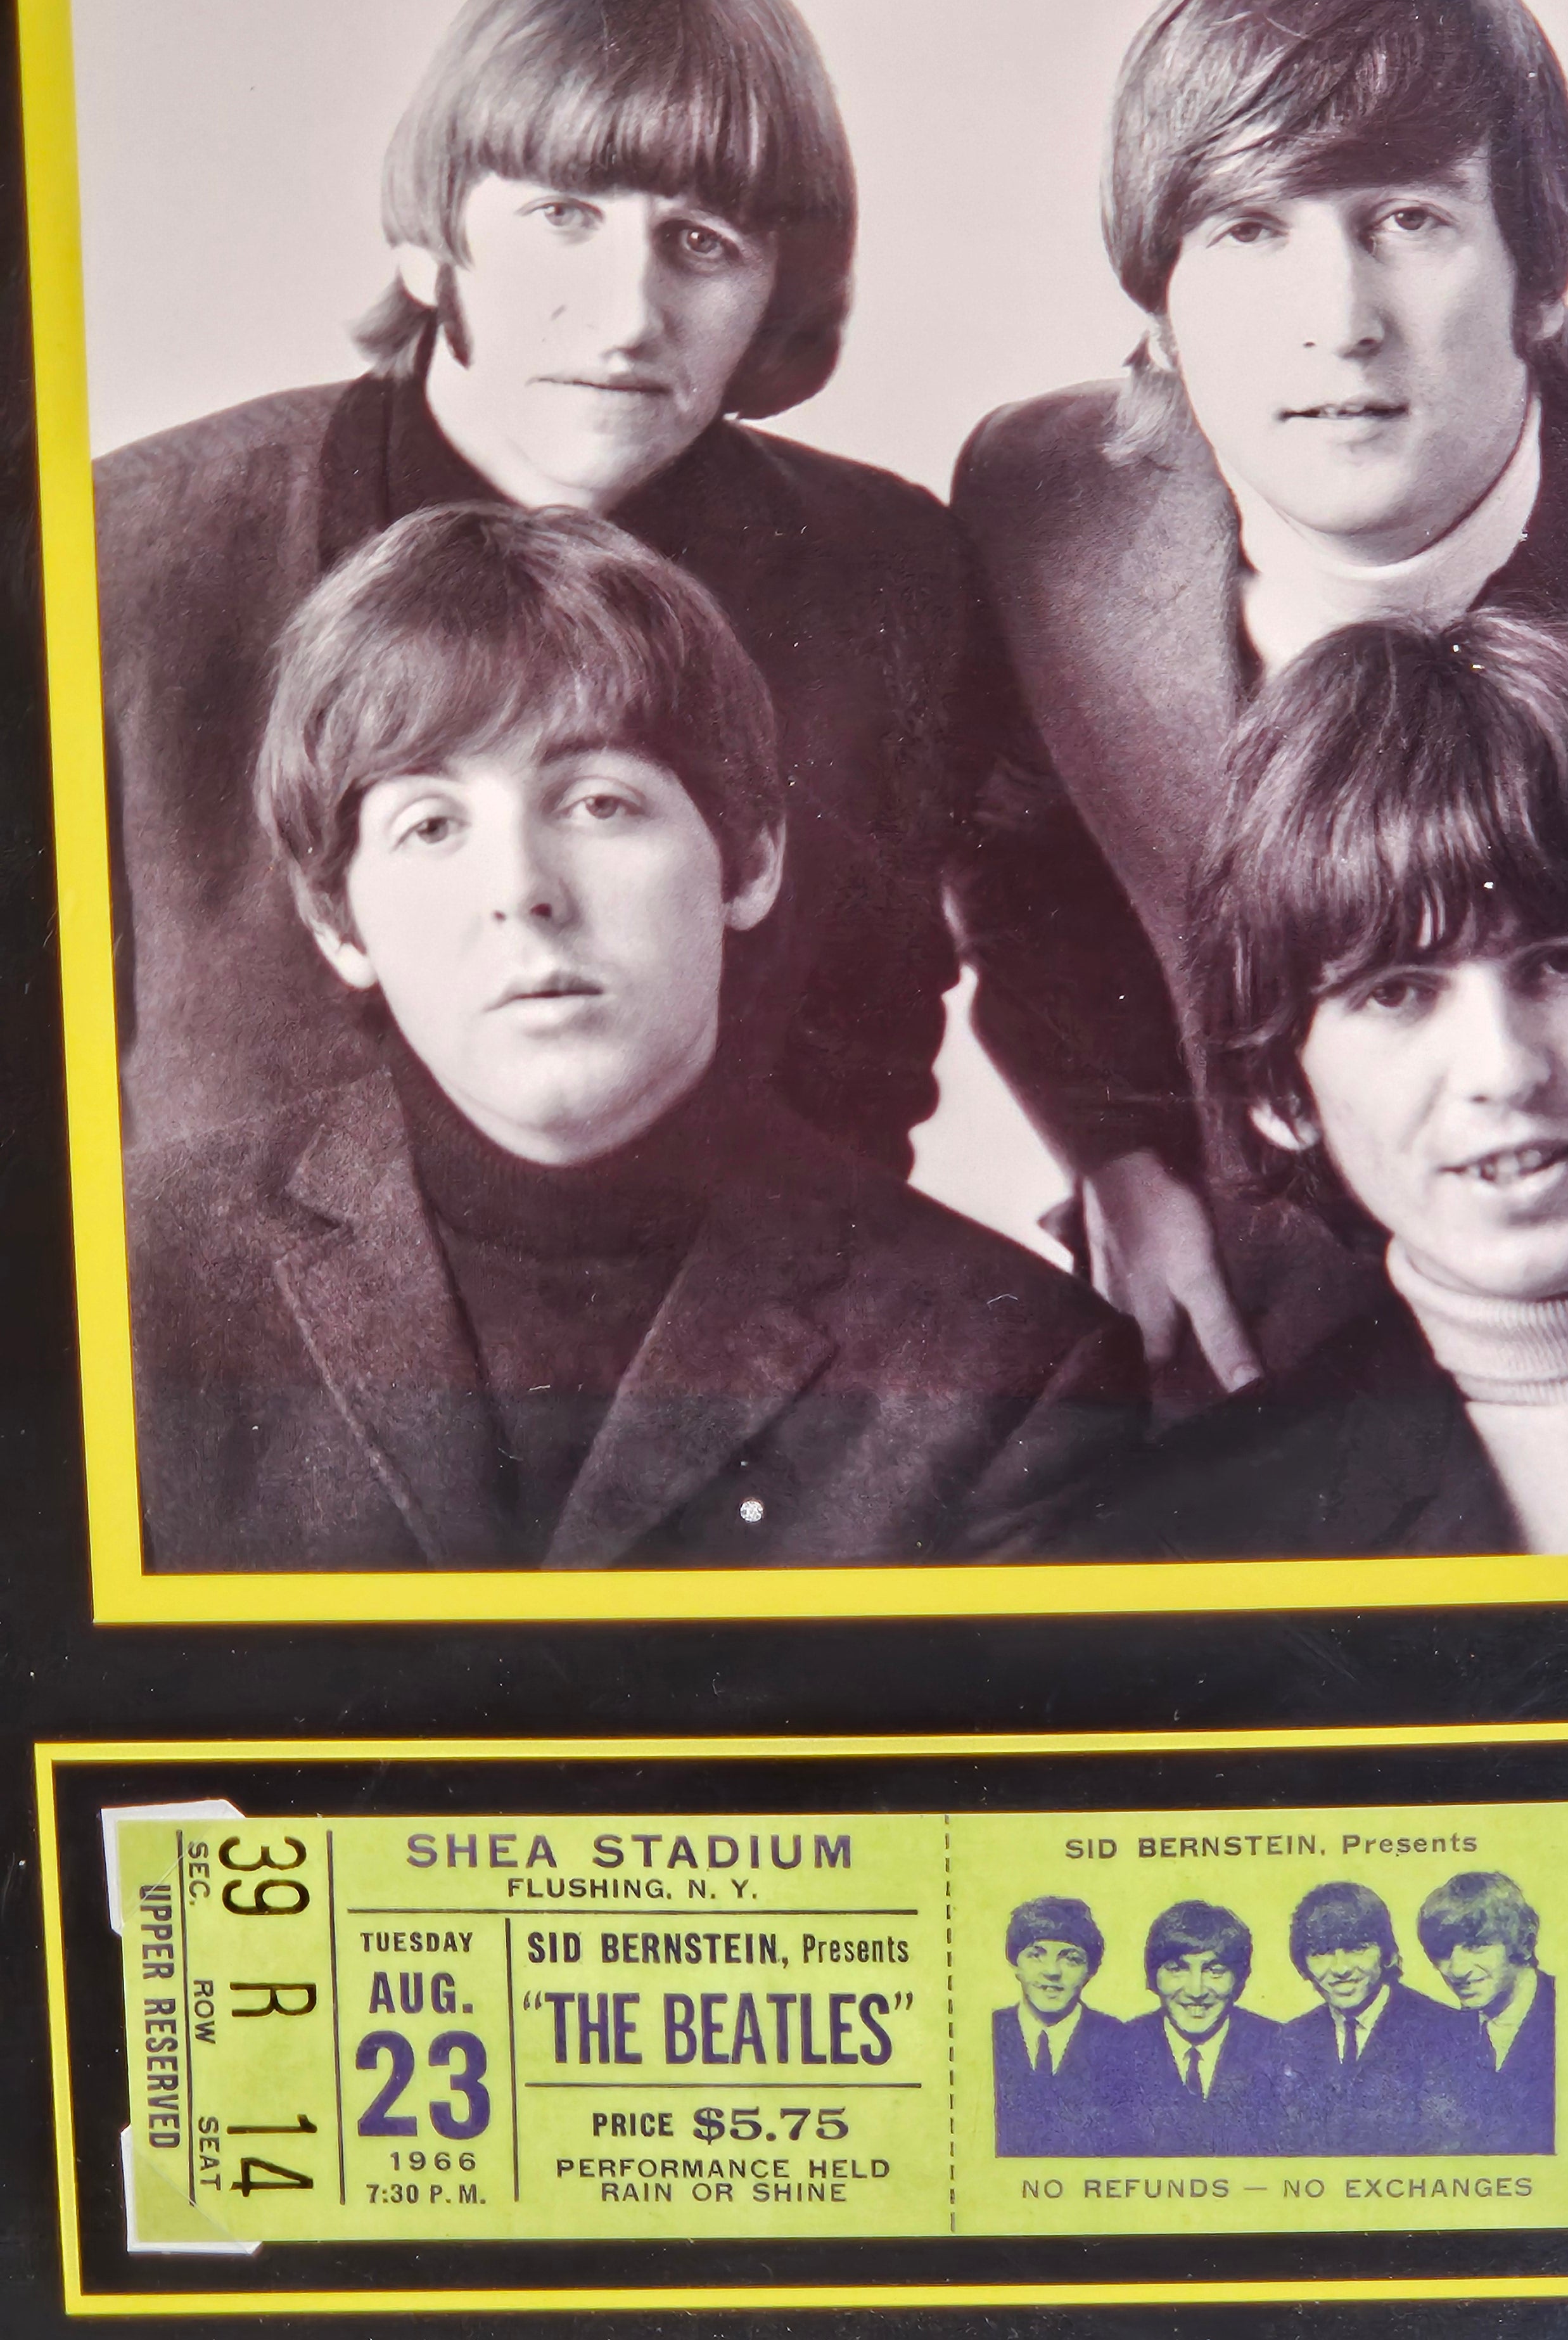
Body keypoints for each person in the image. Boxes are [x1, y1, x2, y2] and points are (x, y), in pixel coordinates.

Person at [952, 0, 1568, 1400]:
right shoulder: (1043, 513)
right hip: (1270, 1359)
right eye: (1249, 229)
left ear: (1537, 275)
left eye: (1406, 220)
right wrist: (1116, 1151)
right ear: (1159, 307)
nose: (1337, 322)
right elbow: (1027, 870)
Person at [99, 0, 1007, 1172]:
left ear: (774, 297)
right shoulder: (127, 553)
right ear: (429, 246)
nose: (630, 317)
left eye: (704, 244)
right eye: (565, 216)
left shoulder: (884, 570)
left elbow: (877, 1046)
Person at [125, 508, 1142, 1572]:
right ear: (339, 923)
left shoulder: (1013, 1370)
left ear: (749, 861)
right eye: (430, 825)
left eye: (599, 804)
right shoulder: (125, 1278)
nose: (522, 890)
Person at [1063, 613, 1568, 1562]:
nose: (1502, 1068)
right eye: (1396, 993)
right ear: (1280, 1092)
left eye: (1561, 963)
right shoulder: (1202, 1538)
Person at [1271, 1883, 1477, 2156]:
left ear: (1385, 1953)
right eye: (1322, 1953)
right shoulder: (1291, 2039)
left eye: (1357, 1948)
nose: (1341, 1969)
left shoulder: (1446, 2031)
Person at [1111, 1900, 1280, 2156]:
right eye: (1177, 1969)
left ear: (1239, 1979)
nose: (1196, 1991)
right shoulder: (1118, 2048)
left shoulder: (1278, 2046)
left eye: (1215, 1971)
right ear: (1154, 1976)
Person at [1417, 1873, 1556, 2154]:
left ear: (1520, 1942)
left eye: (1476, 1946)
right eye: (1444, 1952)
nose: (1458, 1970)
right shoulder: (1440, 2036)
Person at [991, 1896, 1125, 2156]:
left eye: (1070, 1959)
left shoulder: (1118, 2040)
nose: (1052, 1971)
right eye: (1036, 1955)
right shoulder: (990, 2032)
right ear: (1015, 1964)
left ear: (1091, 1971)